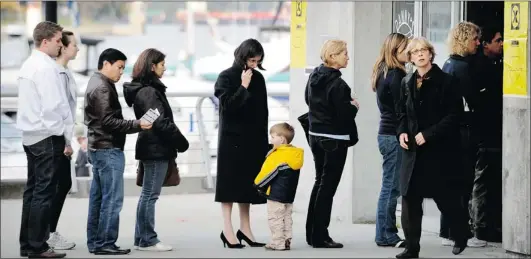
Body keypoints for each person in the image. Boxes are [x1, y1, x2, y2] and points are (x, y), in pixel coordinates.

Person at [395, 37, 470, 259]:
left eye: (423, 51)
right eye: (415, 52)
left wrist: (429, 134)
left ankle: (460, 233)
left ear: (430, 54)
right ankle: (412, 247)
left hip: (438, 149)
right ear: (410, 57)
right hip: (412, 151)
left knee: (444, 197)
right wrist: (401, 133)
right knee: (409, 198)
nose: (419, 54)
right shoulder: (406, 82)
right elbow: (401, 113)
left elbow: (454, 115)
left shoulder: (447, 81)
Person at [84, 48, 152, 255]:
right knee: (112, 199)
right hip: (108, 149)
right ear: (106, 64)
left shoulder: (95, 82)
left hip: (98, 147)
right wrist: (138, 124)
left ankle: (96, 242)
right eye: (119, 67)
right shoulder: (103, 88)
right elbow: (108, 121)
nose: (121, 72)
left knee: (98, 198)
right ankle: (105, 242)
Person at [123, 48, 190, 252]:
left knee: (148, 194)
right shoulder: (149, 92)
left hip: (152, 146)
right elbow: (160, 121)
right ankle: (147, 239)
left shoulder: (146, 90)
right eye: (162, 64)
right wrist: (182, 142)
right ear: (152, 66)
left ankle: (142, 238)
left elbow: (153, 120)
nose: (165, 67)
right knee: (150, 195)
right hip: (155, 148)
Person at [16, 21, 68, 259]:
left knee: (33, 192)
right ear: (45, 41)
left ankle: (28, 244)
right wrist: (60, 132)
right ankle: (38, 247)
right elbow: (52, 107)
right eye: (58, 40)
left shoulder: (29, 64)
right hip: (46, 136)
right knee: (44, 194)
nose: (62, 44)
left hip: (30, 136)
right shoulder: (46, 68)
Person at [214, 38, 269, 249]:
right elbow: (228, 107)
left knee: (248, 186)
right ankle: (227, 229)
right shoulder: (226, 76)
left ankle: (245, 228)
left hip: (253, 140)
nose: (254, 65)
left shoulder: (260, 79)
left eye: (257, 61)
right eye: (252, 60)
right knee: (229, 186)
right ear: (242, 56)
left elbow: (263, 113)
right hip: (232, 140)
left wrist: (265, 143)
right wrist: (243, 86)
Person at [304, 39, 359, 248]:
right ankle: (320, 236)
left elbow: (308, 101)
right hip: (334, 140)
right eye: (344, 53)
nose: (348, 56)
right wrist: (354, 106)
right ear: (333, 56)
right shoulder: (338, 84)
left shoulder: (314, 77)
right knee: (328, 188)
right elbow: (344, 115)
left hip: (315, 135)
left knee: (320, 183)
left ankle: (312, 233)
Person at [440, 21, 481, 247]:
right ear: (465, 39)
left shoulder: (448, 64)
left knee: (452, 181)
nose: (478, 42)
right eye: (474, 38)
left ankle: (449, 231)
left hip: (452, 131)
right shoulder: (463, 68)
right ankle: (460, 232)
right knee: (463, 181)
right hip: (462, 131)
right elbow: (472, 101)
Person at [370, 32, 409, 248]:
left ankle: (384, 233)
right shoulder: (396, 76)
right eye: (406, 49)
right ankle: (387, 234)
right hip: (393, 135)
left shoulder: (383, 72)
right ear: (395, 51)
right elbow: (400, 110)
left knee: (390, 186)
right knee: (391, 188)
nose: (410, 52)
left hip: (386, 134)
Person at [468, 25, 504, 246]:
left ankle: (484, 225)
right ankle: (481, 227)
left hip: (490, 132)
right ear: (486, 43)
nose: (501, 44)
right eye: (498, 40)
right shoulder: (480, 68)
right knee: (483, 180)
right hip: (485, 132)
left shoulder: (491, 65)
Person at [44, 30, 80, 251]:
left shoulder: (66, 72)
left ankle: (48, 231)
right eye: (74, 45)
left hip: (63, 135)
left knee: (61, 184)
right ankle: (48, 233)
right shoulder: (57, 73)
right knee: (60, 184)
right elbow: (60, 108)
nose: (77, 48)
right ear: (64, 47)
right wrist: (67, 141)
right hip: (56, 136)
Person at [254, 122, 304, 251]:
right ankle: (287, 239)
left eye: (273, 137)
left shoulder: (277, 155)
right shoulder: (295, 154)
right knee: (286, 217)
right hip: (289, 195)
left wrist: (257, 184)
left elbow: (266, 173)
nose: (271, 140)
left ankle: (278, 243)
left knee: (275, 218)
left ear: (281, 139)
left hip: (276, 194)